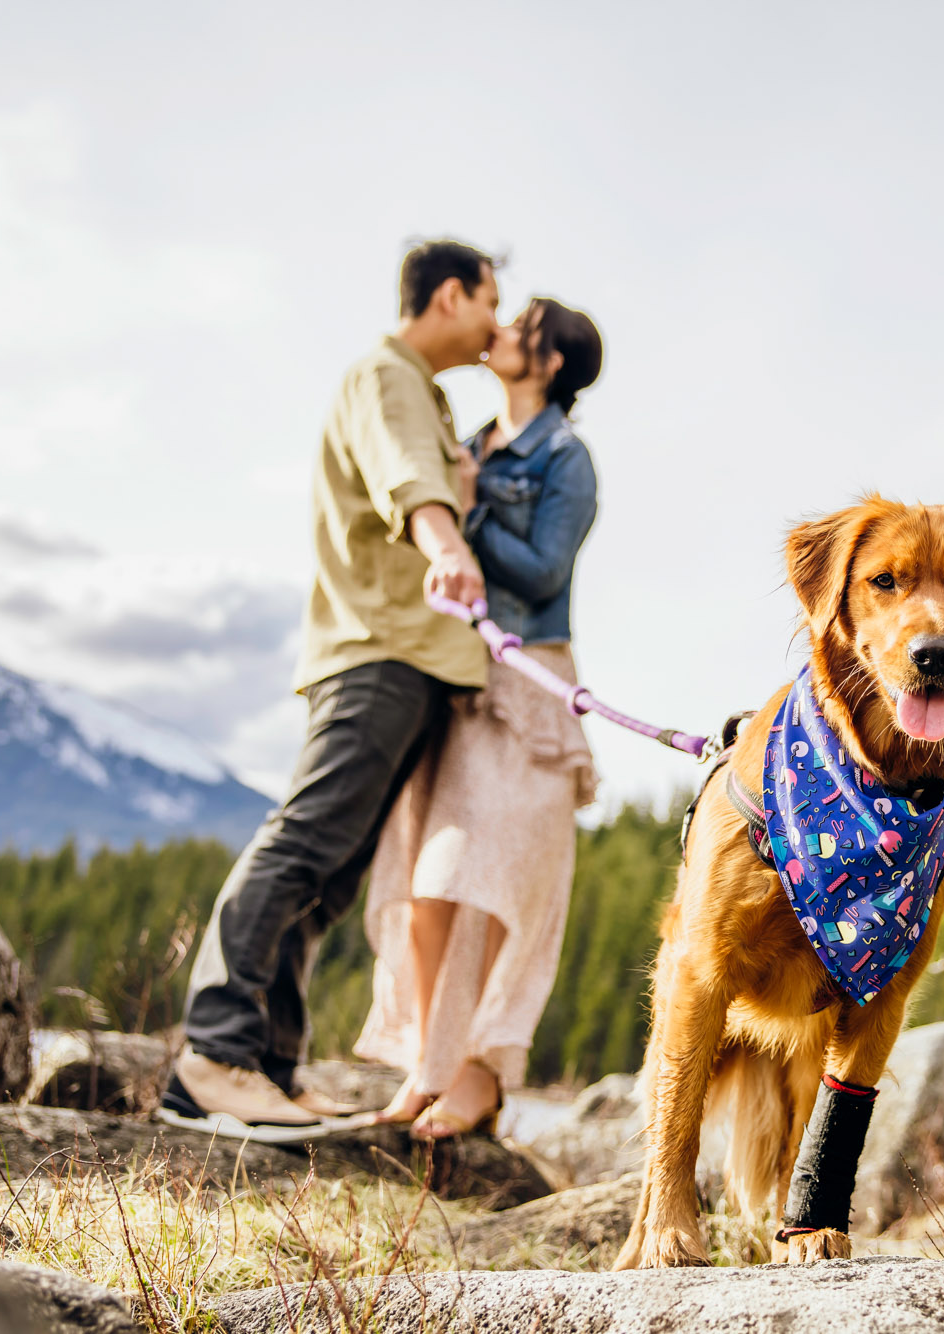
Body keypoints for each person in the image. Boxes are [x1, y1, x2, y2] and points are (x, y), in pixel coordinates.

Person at [160, 239, 500, 1142]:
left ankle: (266, 1065)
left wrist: (460, 494)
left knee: (334, 869)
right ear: (449, 294)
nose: (494, 325)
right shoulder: (385, 376)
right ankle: (215, 1057)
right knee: (306, 840)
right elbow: (403, 474)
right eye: (487, 302)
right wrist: (448, 542)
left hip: (408, 655)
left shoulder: (421, 392)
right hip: (377, 652)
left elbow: (423, 472)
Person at [353, 297, 604, 1139]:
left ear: (552, 361)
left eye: (520, 325)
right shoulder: (469, 443)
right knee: (430, 880)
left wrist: (471, 510)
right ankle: (432, 1062)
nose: (499, 331)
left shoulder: (568, 458)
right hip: (457, 678)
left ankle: (479, 1075)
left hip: (531, 681)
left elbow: (542, 573)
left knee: (491, 882)